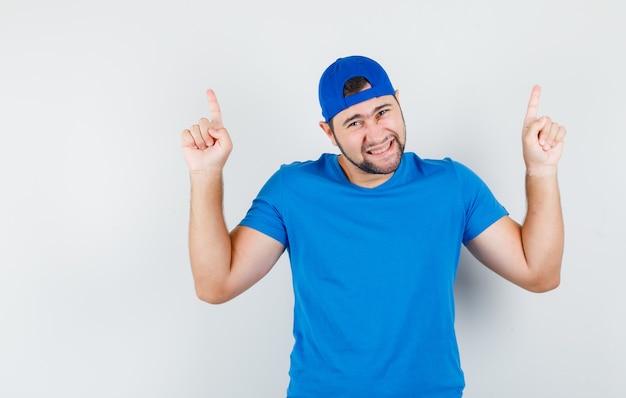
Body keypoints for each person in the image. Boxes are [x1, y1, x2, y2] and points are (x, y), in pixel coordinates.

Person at [180, 55, 566, 397]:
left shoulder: (451, 185)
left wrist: (541, 169)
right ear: (328, 132)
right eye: (354, 122)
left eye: (383, 111)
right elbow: (216, 285)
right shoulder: (293, 190)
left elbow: (539, 272)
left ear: (399, 101)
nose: (377, 133)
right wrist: (206, 174)